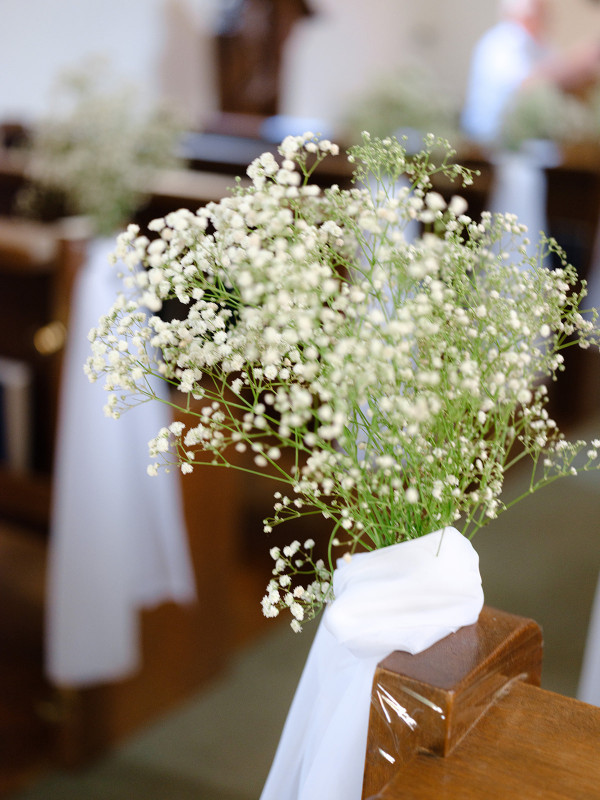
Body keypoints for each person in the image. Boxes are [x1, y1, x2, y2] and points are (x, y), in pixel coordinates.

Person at [462, 0, 600, 146]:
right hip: (492, 144)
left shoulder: (544, 46)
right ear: (526, 14)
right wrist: (577, 61)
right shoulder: (501, 43)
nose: (549, 19)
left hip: (530, 142)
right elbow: (524, 86)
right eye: (543, 13)